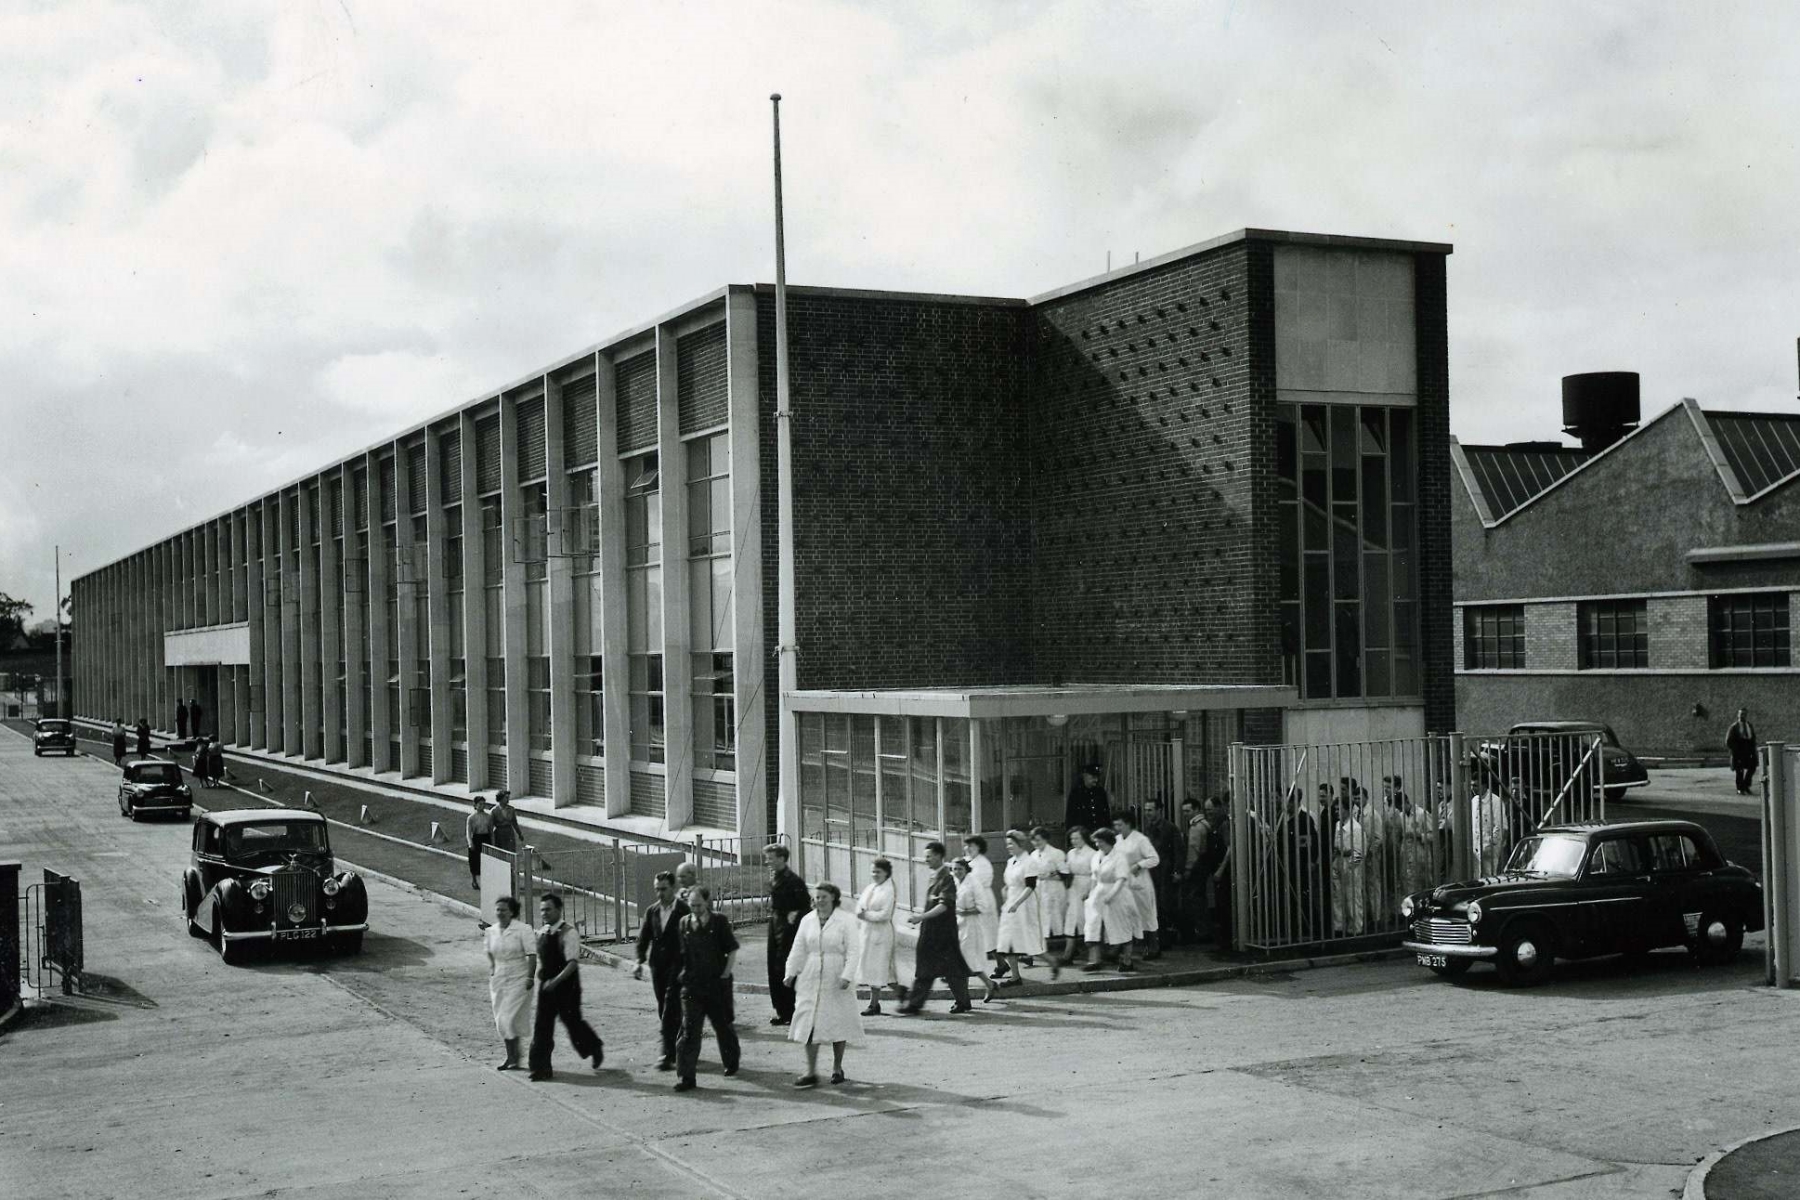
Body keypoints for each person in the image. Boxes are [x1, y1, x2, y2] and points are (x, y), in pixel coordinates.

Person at [783, 882, 863, 1087]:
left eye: (824, 897)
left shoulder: (845, 920)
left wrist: (847, 975)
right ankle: (811, 1071)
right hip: (811, 973)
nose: (820, 901)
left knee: (837, 1020)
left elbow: (854, 950)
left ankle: (837, 1067)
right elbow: (798, 947)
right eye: (817, 897)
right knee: (809, 1021)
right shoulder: (807, 920)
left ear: (834, 899)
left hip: (835, 975)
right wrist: (791, 971)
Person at [527, 894, 604, 1082]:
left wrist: (556, 981)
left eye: (548, 909)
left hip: (566, 987)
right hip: (547, 987)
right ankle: (540, 1068)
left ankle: (594, 1047)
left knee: (572, 1022)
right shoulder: (543, 932)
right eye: (542, 909)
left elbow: (572, 964)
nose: (544, 913)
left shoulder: (569, 933)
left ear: (559, 910)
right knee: (542, 1027)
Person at [673, 886, 741, 1092]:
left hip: (716, 985)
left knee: (722, 1026)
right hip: (693, 986)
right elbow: (682, 953)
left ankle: (731, 1062)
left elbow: (732, 949)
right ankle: (686, 1077)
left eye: (699, 905)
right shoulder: (684, 923)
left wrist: (725, 975)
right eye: (691, 905)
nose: (695, 909)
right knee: (689, 1031)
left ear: (707, 903)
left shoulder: (718, 922)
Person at [900, 842, 972, 1014]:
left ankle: (960, 1001)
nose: (926, 860)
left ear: (939, 856)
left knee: (950, 968)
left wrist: (920, 917)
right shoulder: (935, 877)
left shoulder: (946, 878)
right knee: (932, 966)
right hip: (932, 930)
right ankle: (916, 1003)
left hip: (943, 931)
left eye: (929, 856)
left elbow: (944, 906)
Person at [632, 871, 689, 1071]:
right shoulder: (652, 911)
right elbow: (644, 938)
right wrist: (639, 961)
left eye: (663, 889)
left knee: (670, 1006)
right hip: (658, 966)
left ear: (673, 888)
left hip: (678, 966)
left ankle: (667, 1054)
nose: (659, 893)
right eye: (657, 889)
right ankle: (681, 1044)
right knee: (663, 1007)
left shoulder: (684, 910)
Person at [485, 895, 536, 1071]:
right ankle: (512, 1057)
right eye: (498, 910)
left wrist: (530, 977)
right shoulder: (491, 931)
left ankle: (513, 1056)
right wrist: (493, 969)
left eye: (504, 910)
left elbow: (532, 955)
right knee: (501, 1020)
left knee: (508, 1018)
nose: (500, 913)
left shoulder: (523, 929)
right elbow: (489, 952)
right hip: (499, 980)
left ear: (512, 912)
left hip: (519, 979)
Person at [1081, 828, 1139, 971]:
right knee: (1092, 926)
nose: (1097, 844)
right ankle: (1094, 960)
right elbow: (1094, 877)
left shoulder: (1119, 857)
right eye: (1096, 842)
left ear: (1108, 842)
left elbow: (1121, 879)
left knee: (1121, 927)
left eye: (1100, 841)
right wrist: (1090, 893)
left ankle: (1127, 961)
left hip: (1117, 894)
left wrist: (1111, 895)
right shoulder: (1096, 856)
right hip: (1099, 893)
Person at [996, 830, 1049, 985]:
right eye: (1007, 844)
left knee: (1028, 939)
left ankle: (1052, 963)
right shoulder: (1010, 861)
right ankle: (1015, 976)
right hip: (1011, 903)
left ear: (1020, 843)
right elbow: (1010, 882)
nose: (1009, 847)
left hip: (1025, 903)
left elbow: (1030, 886)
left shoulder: (1029, 861)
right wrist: (1005, 891)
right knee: (1007, 940)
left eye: (1011, 844)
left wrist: (1017, 903)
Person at [765, 844, 810, 1026]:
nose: (768, 861)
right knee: (773, 967)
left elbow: (805, 906)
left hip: (788, 929)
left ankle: (791, 1011)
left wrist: (795, 915)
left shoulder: (793, 881)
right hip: (775, 924)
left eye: (771, 858)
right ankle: (782, 1010)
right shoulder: (775, 876)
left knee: (785, 967)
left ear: (782, 858)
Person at [854, 858, 906, 1015]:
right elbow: (860, 905)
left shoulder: (889, 889)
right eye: (873, 871)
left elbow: (885, 914)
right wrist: (860, 913)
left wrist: (866, 915)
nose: (875, 874)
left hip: (881, 933)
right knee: (877, 969)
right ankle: (901, 992)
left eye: (878, 872)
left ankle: (874, 1004)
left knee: (877, 968)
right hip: (867, 931)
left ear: (886, 873)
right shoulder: (871, 887)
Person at [1112, 810, 1162, 960]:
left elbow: (1155, 859)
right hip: (1123, 883)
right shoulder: (1116, 840)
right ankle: (1123, 947)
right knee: (1126, 914)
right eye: (1115, 825)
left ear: (1128, 824)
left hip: (1140, 882)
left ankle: (1152, 947)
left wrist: (1139, 865)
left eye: (1120, 824)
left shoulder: (1141, 839)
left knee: (1146, 914)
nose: (1117, 828)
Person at [1275, 787, 1322, 940]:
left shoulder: (1304, 819)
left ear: (1295, 802)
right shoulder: (1282, 818)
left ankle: (1312, 928)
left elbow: (1309, 843)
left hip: (1299, 865)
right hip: (1284, 864)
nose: (1285, 805)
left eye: (1288, 802)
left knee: (1302, 896)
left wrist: (1310, 861)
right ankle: (1291, 929)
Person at [952, 856, 998, 1002]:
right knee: (963, 960)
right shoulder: (954, 882)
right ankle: (969, 994)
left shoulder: (973, 883)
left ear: (966, 869)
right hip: (958, 924)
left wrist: (966, 912)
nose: (957, 872)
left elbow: (983, 906)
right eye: (954, 869)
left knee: (967, 959)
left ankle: (988, 984)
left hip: (972, 925)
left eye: (960, 869)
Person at [1144, 805, 1185, 947]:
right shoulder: (1148, 828)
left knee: (1166, 904)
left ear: (1159, 810)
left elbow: (1178, 851)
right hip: (1153, 871)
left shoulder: (1170, 828)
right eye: (1146, 810)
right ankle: (1162, 939)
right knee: (1157, 904)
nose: (1147, 813)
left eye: (1150, 810)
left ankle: (1179, 934)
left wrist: (1177, 871)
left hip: (1166, 871)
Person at [1058, 826, 1097, 967]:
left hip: (1086, 886)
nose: (1074, 841)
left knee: (1086, 921)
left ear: (1084, 838)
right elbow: (1067, 869)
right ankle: (1068, 953)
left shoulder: (1092, 854)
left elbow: (1095, 874)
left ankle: (1092, 956)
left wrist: (1089, 891)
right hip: (1073, 887)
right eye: (1072, 838)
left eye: (1077, 838)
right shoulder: (1071, 853)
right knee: (1071, 920)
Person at [1028, 826, 1069, 954]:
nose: (1036, 843)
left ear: (1045, 839)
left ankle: (1064, 949)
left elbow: (1065, 874)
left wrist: (1049, 876)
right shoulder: (1033, 854)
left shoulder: (1056, 853)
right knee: (1041, 917)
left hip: (1054, 888)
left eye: (1038, 840)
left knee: (1056, 917)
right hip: (1040, 889)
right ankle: (1043, 948)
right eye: (1033, 840)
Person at [1331, 800, 1366, 937]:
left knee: (1352, 897)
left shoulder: (1356, 829)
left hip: (1350, 864)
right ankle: (1339, 926)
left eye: (1338, 809)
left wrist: (1351, 868)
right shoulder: (1338, 825)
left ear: (1347, 810)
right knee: (1337, 896)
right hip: (1338, 862)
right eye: (1335, 810)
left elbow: (1359, 852)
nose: (1336, 812)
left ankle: (1355, 928)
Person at [1200, 796, 1232, 943]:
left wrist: (1221, 869)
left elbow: (1230, 848)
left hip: (1224, 871)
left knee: (1224, 904)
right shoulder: (1214, 824)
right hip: (1217, 870)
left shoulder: (1224, 824)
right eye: (1206, 810)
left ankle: (1227, 939)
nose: (1208, 813)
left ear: (1219, 808)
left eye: (1211, 810)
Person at [1471, 771, 1508, 876]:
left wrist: (1492, 843)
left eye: (1476, 785)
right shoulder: (1474, 801)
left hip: (1489, 849)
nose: (1473, 788)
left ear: (1484, 785)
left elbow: (1500, 825)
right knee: (1476, 876)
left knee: (1489, 875)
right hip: (1475, 848)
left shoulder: (1495, 801)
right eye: (1472, 785)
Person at [1065, 763, 1112, 832]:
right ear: (1085, 776)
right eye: (1093, 777)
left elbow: (1106, 813)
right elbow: (1071, 816)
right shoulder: (1076, 793)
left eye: (1097, 777)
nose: (1096, 780)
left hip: (1099, 832)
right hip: (1083, 832)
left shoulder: (1100, 792)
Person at [465, 796, 494, 890]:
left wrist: (492, 844)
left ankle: (486, 881)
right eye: (480, 804)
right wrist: (470, 843)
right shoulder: (471, 818)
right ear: (475, 805)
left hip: (486, 839)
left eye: (483, 804)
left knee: (486, 861)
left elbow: (491, 831)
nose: (482, 806)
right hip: (476, 839)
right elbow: (468, 833)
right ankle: (474, 880)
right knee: (474, 861)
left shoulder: (488, 817)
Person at [1727, 709, 1758, 795]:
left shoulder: (1749, 725)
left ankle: (1746, 785)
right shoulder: (1734, 727)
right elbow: (1728, 741)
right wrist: (1735, 750)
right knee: (1739, 771)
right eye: (1740, 714)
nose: (1742, 716)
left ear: (1746, 715)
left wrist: (1753, 749)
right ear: (1738, 715)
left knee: (1752, 767)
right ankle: (1740, 788)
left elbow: (1753, 738)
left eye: (1744, 714)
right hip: (1739, 751)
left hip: (1749, 750)